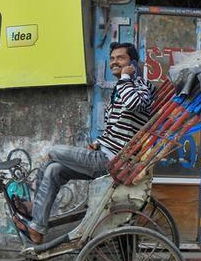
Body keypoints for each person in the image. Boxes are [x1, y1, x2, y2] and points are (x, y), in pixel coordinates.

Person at [13, 42, 154, 244]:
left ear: (132, 62)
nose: (114, 62)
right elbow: (117, 128)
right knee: (54, 170)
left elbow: (134, 104)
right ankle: (37, 229)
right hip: (105, 152)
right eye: (112, 58)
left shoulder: (140, 86)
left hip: (112, 160)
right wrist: (98, 141)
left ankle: (33, 208)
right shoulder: (123, 87)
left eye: (120, 58)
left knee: (52, 151)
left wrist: (125, 77)